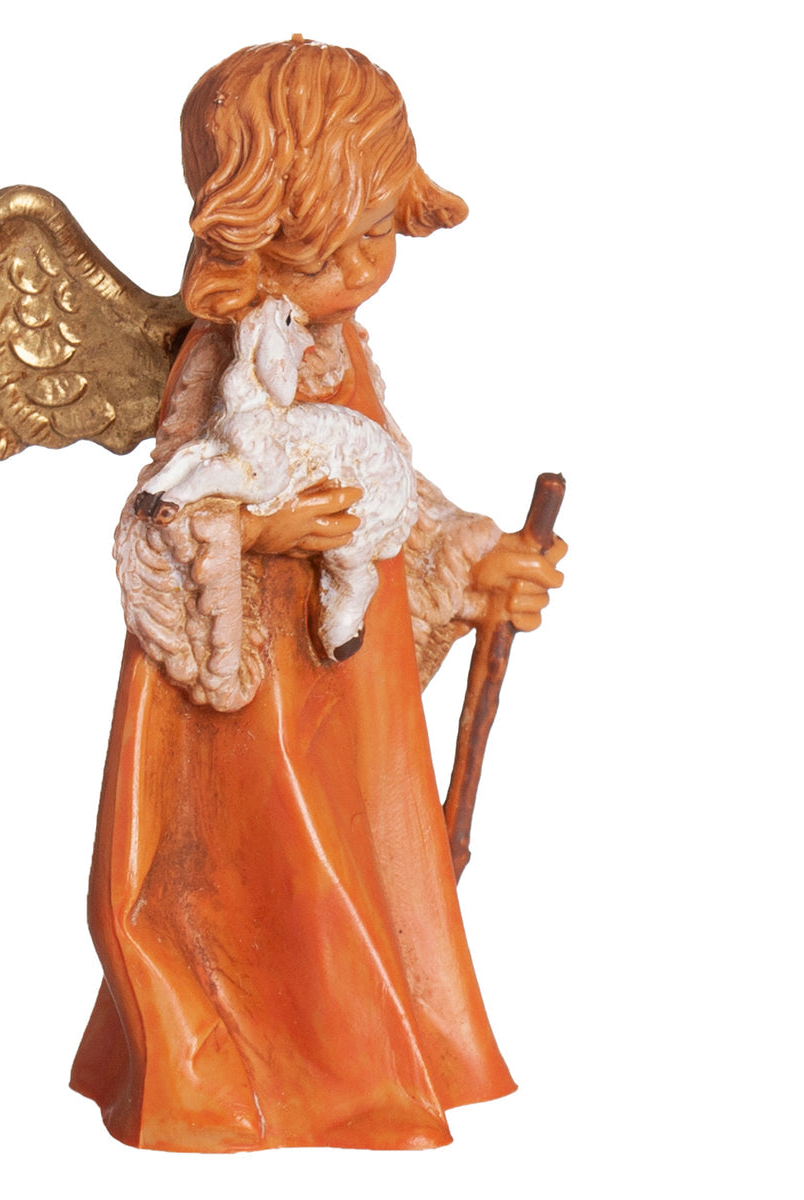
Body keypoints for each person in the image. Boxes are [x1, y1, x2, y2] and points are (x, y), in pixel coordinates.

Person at [69, 37, 566, 1151]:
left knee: (359, 848)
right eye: (315, 249)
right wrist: (257, 533)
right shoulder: (223, 359)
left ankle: (366, 1048)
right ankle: (263, 1064)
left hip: (347, 692)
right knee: (268, 866)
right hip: (251, 701)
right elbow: (166, 506)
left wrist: (471, 553)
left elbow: (383, 478)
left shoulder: (340, 346)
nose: (350, 273)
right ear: (247, 238)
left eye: (374, 236)